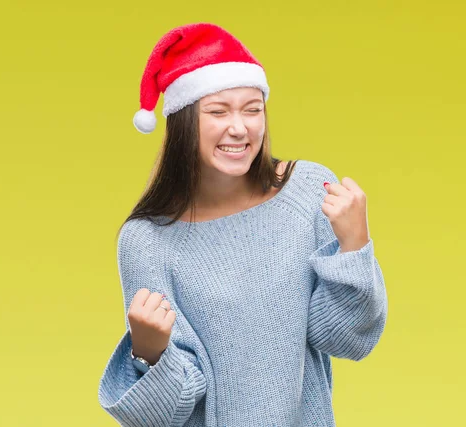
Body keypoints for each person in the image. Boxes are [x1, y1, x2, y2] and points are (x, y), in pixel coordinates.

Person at [97, 22, 388, 426]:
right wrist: (149, 351)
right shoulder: (146, 241)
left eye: (253, 109)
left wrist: (355, 246)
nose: (240, 127)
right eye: (218, 111)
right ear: (183, 123)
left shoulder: (307, 192)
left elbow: (348, 339)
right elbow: (164, 414)